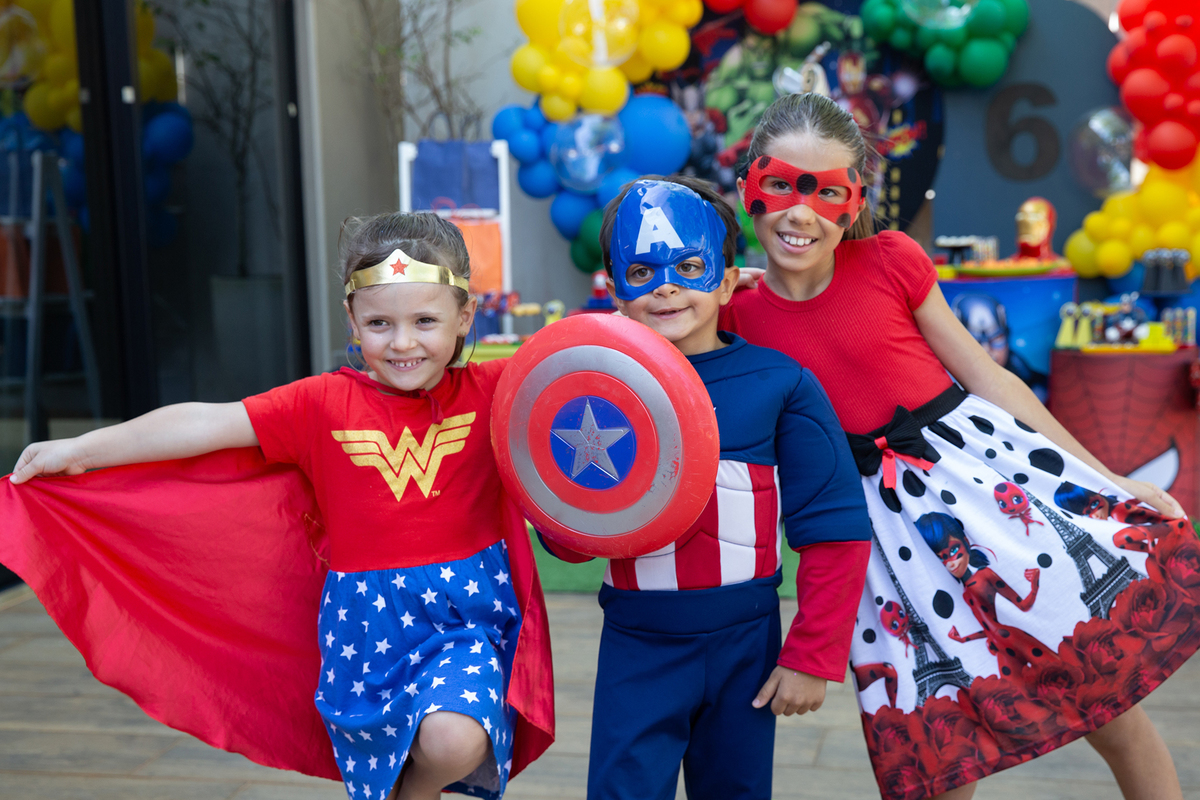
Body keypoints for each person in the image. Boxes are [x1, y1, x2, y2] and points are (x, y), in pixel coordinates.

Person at [719, 92, 1197, 800]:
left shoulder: (890, 261)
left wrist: (1112, 482)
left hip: (990, 503)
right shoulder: (736, 316)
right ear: (747, 189)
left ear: (853, 202)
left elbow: (991, 378)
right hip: (876, 544)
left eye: (826, 192)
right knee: (941, 756)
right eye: (782, 184)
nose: (800, 211)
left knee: (1108, 708)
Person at [3, 213, 553, 800]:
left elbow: (592, 363)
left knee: (452, 742)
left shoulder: (498, 389)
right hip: (367, 630)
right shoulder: (320, 404)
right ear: (353, 322)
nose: (402, 342)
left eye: (425, 320)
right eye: (379, 323)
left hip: (462, 617)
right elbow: (205, 422)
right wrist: (82, 447)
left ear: (464, 317)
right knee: (387, 766)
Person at [539, 176, 874, 800]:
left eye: (690, 266)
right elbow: (570, 535)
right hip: (636, 644)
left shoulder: (780, 383)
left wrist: (812, 654)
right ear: (614, 291)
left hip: (746, 647)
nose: (666, 286)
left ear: (726, 280)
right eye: (641, 270)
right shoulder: (594, 393)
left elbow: (834, 525)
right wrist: (566, 511)